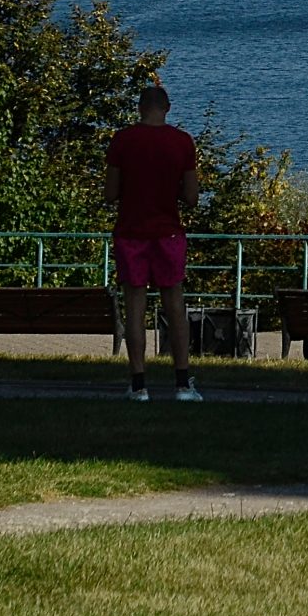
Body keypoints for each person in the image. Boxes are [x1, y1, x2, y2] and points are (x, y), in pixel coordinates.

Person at [107, 83, 201, 402]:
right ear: (167, 108)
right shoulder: (182, 142)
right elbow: (192, 197)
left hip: (131, 231)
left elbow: (110, 193)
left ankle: (138, 385)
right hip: (168, 232)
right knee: (175, 305)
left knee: (135, 307)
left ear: (139, 108)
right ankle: (182, 384)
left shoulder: (123, 140)